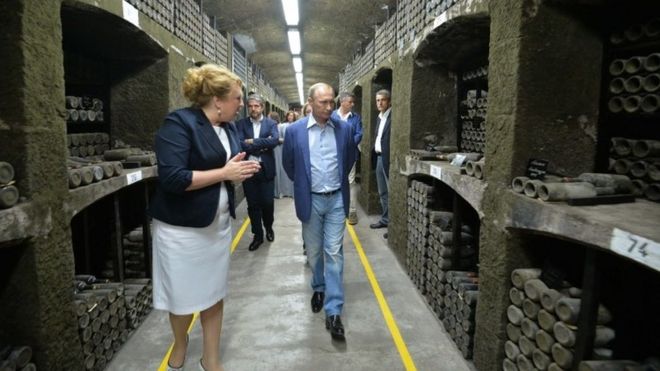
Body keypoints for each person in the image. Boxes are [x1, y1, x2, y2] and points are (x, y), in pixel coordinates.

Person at [150, 64, 261, 371]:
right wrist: (225, 173)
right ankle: (181, 341)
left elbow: (224, 170)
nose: (241, 104)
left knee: (214, 293)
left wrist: (240, 171)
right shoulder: (179, 123)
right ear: (217, 100)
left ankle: (210, 358)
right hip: (182, 230)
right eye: (237, 98)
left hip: (217, 228)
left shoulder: (229, 129)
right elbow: (172, 177)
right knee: (183, 296)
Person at [282, 82, 357, 341]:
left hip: (336, 198)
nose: (329, 107)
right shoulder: (295, 132)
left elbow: (348, 160)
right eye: (323, 102)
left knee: (334, 252)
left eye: (331, 102)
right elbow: (289, 165)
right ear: (311, 103)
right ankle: (318, 286)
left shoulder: (344, 129)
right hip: (311, 199)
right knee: (314, 252)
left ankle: (333, 310)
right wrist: (305, 185)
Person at [235, 94, 279, 251]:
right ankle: (257, 235)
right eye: (250, 106)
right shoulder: (240, 124)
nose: (253, 109)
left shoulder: (271, 123)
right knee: (253, 205)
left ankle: (268, 227)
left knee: (267, 202)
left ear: (262, 107)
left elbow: (274, 141)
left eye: (256, 106)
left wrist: (252, 141)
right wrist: (262, 143)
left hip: (265, 168)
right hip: (248, 169)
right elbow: (239, 144)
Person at [331, 92, 363, 225]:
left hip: (350, 155)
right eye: (350, 102)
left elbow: (359, 134)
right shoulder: (332, 116)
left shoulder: (355, 118)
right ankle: (334, 209)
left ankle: (352, 211)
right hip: (333, 155)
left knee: (350, 182)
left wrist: (347, 145)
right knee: (334, 180)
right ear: (342, 102)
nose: (352, 104)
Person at [370, 89, 391, 239]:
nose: (379, 103)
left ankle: (393, 226)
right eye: (377, 100)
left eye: (382, 100)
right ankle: (385, 219)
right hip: (378, 157)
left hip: (387, 158)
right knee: (382, 191)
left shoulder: (393, 116)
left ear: (389, 101)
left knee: (391, 192)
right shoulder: (379, 117)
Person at [275, 112, 294, 198]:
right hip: (282, 149)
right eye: (289, 115)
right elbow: (277, 138)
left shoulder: (296, 125)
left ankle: (291, 191)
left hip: (292, 149)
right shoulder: (282, 125)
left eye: (292, 115)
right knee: (283, 169)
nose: (290, 117)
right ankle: (283, 191)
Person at [269, 112, 283, 199]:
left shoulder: (279, 127)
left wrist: (274, 140)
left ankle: (277, 191)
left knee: (277, 169)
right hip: (273, 148)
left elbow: (282, 139)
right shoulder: (270, 126)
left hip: (276, 149)